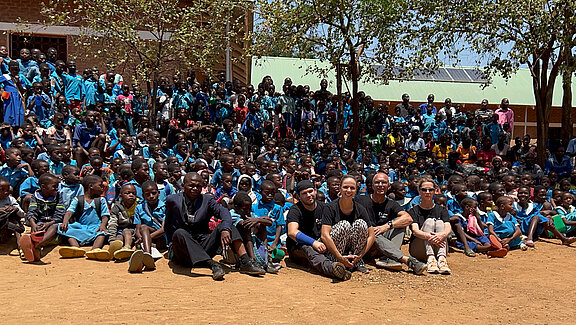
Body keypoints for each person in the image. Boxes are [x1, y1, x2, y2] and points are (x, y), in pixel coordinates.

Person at [164, 172, 265, 280]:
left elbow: (224, 213)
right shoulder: (173, 200)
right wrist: (171, 244)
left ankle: (245, 262)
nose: (195, 188)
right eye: (191, 185)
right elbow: (168, 225)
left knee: (228, 225)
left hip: (203, 245)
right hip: (184, 252)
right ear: (183, 185)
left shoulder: (207, 200)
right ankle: (212, 264)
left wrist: (225, 229)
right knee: (180, 232)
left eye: (198, 186)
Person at [356, 172, 426, 274]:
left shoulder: (391, 204)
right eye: (377, 182)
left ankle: (389, 259)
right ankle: (406, 260)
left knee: (399, 225)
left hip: (383, 246)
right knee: (372, 231)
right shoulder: (360, 200)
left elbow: (408, 219)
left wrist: (387, 226)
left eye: (383, 183)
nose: (380, 185)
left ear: (388, 186)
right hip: (366, 246)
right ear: (372, 185)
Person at [287, 180, 352, 280]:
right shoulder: (295, 210)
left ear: (315, 191)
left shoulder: (324, 207)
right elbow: (292, 232)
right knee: (308, 248)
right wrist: (313, 243)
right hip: (300, 245)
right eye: (304, 193)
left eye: (310, 191)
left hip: (321, 243)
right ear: (299, 197)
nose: (309, 195)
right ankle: (333, 270)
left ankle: (344, 262)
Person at [321, 175, 375, 274]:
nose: (348, 190)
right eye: (345, 187)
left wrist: (360, 256)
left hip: (354, 251)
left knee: (361, 224)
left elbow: (371, 235)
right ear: (340, 188)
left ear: (356, 190)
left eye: (352, 188)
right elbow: (324, 235)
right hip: (335, 251)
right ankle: (337, 262)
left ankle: (356, 262)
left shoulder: (360, 208)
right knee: (344, 225)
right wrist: (339, 257)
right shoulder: (330, 208)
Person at [57, 175, 112, 261]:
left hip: (95, 227)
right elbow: (69, 212)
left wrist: (103, 225)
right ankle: (76, 248)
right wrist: (65, 222)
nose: (102, 188)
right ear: (91, 186)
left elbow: (105, 215)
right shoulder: (77, 199)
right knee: (67, 231)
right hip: (81, 227)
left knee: (101, 234)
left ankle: (94, 250)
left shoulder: (101, 200)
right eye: (100, 186)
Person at [408, 177, 452, 274]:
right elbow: (415, 231)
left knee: (440, 223)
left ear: (434, 191)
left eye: (430, 189)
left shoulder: (442, 210)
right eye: (424, 189)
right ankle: (431, 258)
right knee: (429, 222)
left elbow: (448, 229)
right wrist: (431, 237)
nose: (427, 192)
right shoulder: (413, 211)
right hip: (419, 249)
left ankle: (441, 259)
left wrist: (441, 236)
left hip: (439, 246)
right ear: (419, 191)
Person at [20, 174, 65, 262]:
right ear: (43, 187)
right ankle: (35, 250)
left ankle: (36, 244)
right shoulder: (35, 196)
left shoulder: (58, 196)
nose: (57, 189)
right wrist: (33, 224)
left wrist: (48, 223)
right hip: (40, 222)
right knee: (36, 227)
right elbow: (31, 212)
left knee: (55, 227)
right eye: (54, 186)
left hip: (53, 223)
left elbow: (60, 215)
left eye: (57, 186)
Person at [107, 184, 138, 261]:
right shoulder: (117, 207)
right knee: (119, 238)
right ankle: (115, 252)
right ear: (121, 196)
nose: (131, 195)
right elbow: (112, 223)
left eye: (133, 193)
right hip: (120, 230)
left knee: (126, 231)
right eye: (127, 193)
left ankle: (127, 247)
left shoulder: (138, 206)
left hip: (135, 230)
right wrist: (112, 239)